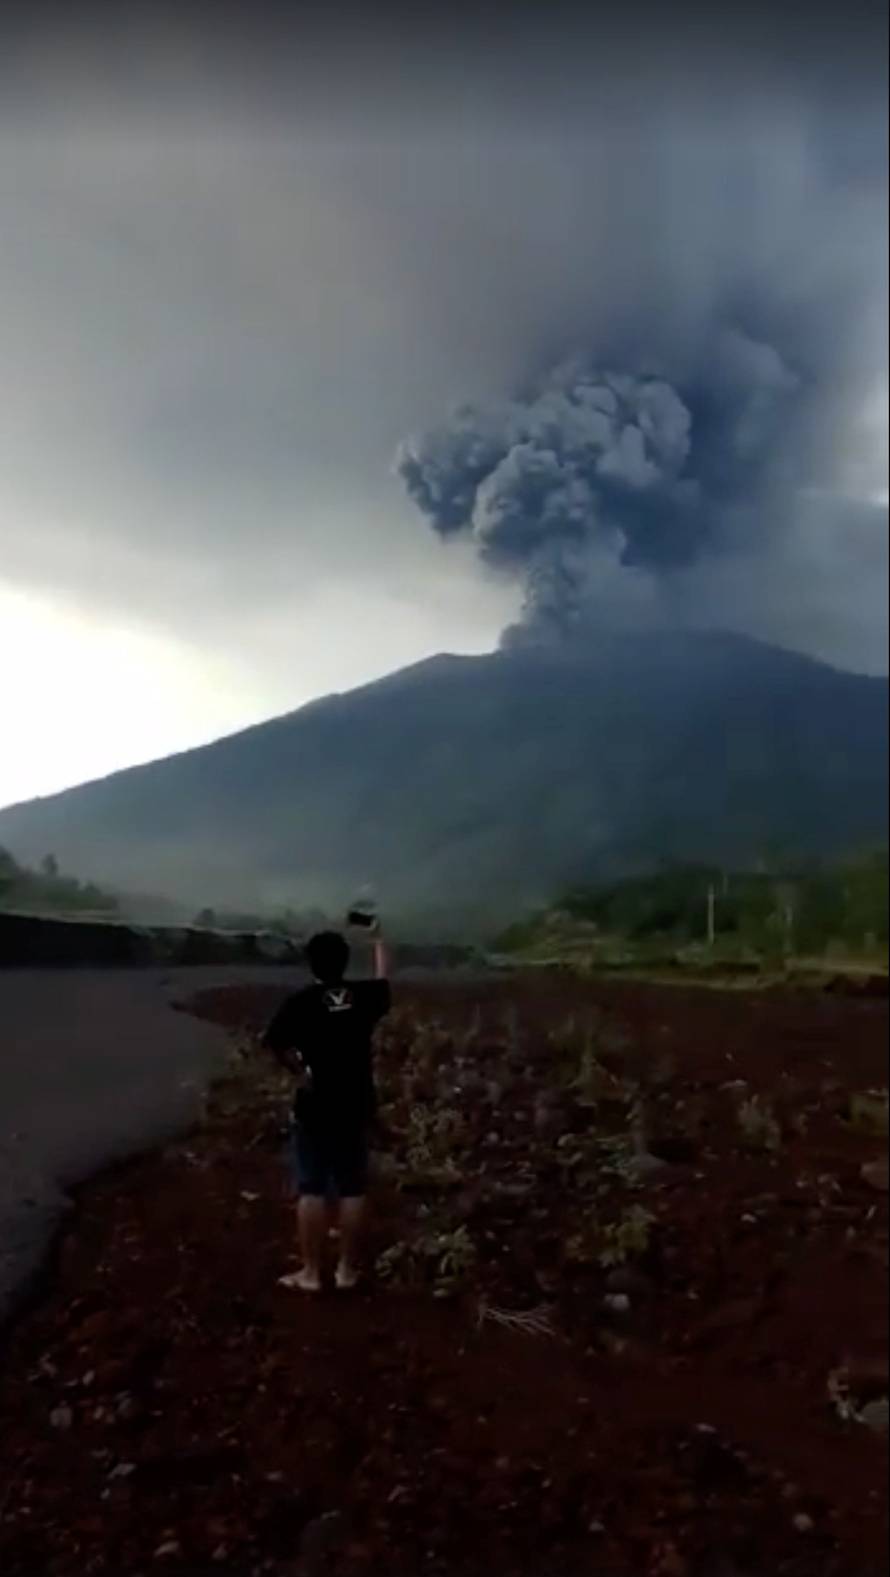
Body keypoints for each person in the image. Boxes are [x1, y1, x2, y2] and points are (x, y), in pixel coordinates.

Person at [262, 922, 391, 1292]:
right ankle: (346, 1271)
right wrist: (379, 938)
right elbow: (384, 978)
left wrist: (299, 1071)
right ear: (345, 961)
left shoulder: (300, 1003)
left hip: (316, 1103)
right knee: (352, 1188)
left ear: (311, 963)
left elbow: (273, 1043)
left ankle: (311, 1273)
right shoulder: (363, 996)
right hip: (357, 1102)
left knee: (312, 1188)